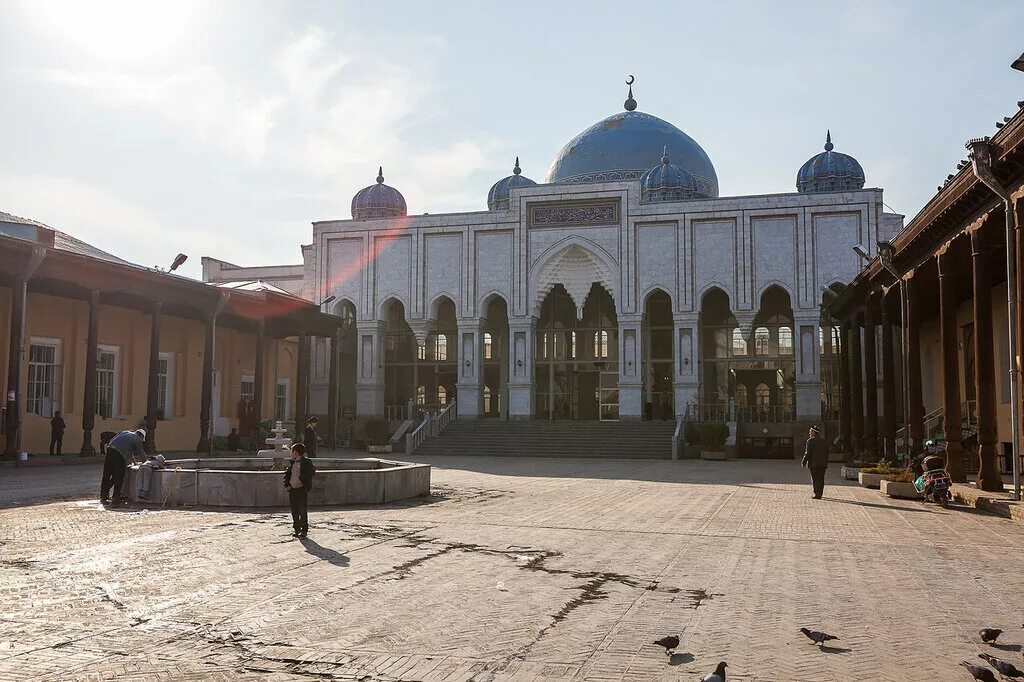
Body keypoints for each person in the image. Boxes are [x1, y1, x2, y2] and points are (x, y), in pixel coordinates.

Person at [101, 428, 146, 506]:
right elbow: (141, 454)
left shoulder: (125, 432)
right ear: (141, 436)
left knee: (107, 474)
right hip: (119, 455)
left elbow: (129, 451)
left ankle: (103, 496)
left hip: (110, 450)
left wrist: (134, 462)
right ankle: (116, 498)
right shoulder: (137, 439)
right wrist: (146, 463)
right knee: (119, 476)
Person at [283, 442, 316, 537]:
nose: (291, 453)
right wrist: (287, 485)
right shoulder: (292, 462)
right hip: (292, 489)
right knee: (294, 510)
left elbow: (312, 471)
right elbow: (287, 474)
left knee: (302, 510)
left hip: (301, 489)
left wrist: (303, 480)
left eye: (292, 451)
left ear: (296, 452)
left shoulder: (306, 462)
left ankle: (304, 529)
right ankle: (296, 529)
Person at [801, 425, 830, 499]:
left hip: (814, 464)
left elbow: (808, 453)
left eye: (810, 431)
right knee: (821, 479)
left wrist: (804, 461)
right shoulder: (824, 441)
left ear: (814, 432)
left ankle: (817, 494)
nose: (809, 433)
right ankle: (820, 493)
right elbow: (827, 452)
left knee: (815, 479)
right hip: (823, 464)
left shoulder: (810, 441)